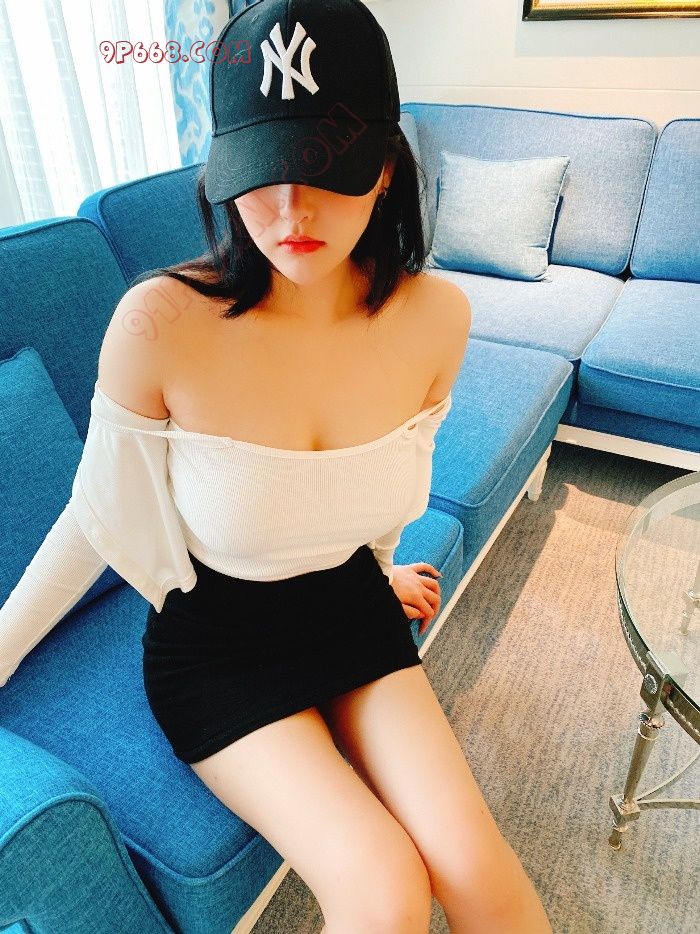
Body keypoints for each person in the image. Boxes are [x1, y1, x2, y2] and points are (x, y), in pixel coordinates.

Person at [0, 1, 553, 931]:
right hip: (216, 648)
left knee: (473, 866)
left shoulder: (438, 320)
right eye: (261, 173)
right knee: (382, 885)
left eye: (324, 169)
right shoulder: (161, 326)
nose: (290, 211)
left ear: (386, 165)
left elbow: (388, 479)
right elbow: (95, 517)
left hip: (349, 607)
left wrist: (380, 569)